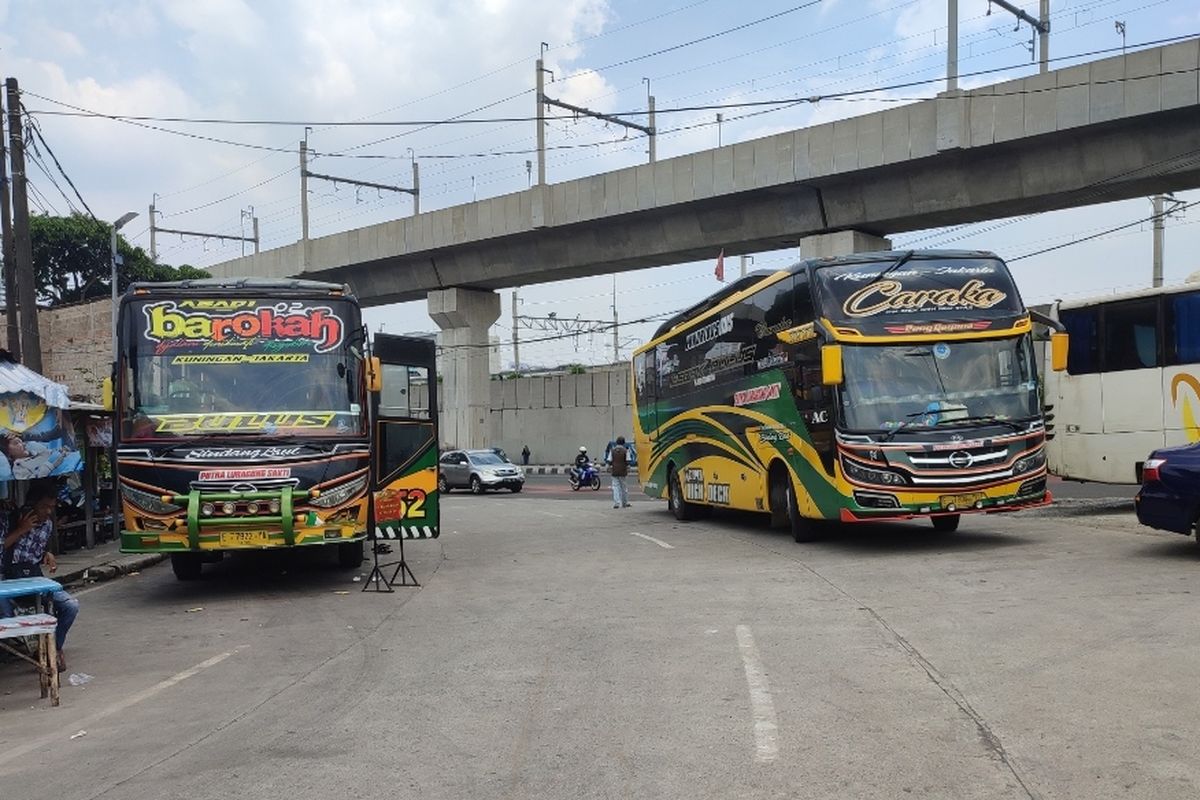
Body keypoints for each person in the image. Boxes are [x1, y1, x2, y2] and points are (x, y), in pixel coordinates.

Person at [0, 482, 79, 671]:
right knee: (6, 617)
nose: (49, 511)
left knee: (70, 606)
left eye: (52, 507)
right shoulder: (9, 520)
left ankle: (53, 649)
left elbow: (36, 550)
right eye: (45, 506)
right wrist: (20, 529)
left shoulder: (47, 526)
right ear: (31, 504)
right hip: (6, 580)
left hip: (33, 580)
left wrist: (47, 553)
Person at [609, 436, 631, 509]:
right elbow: (628, 461)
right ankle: (625, 502)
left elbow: (609, 460)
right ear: (623, 443)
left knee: (615, 487)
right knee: (624, 487)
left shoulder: (612, 450)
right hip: (623, 470)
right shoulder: (625, 450)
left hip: (614, 471)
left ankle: (616, 503)